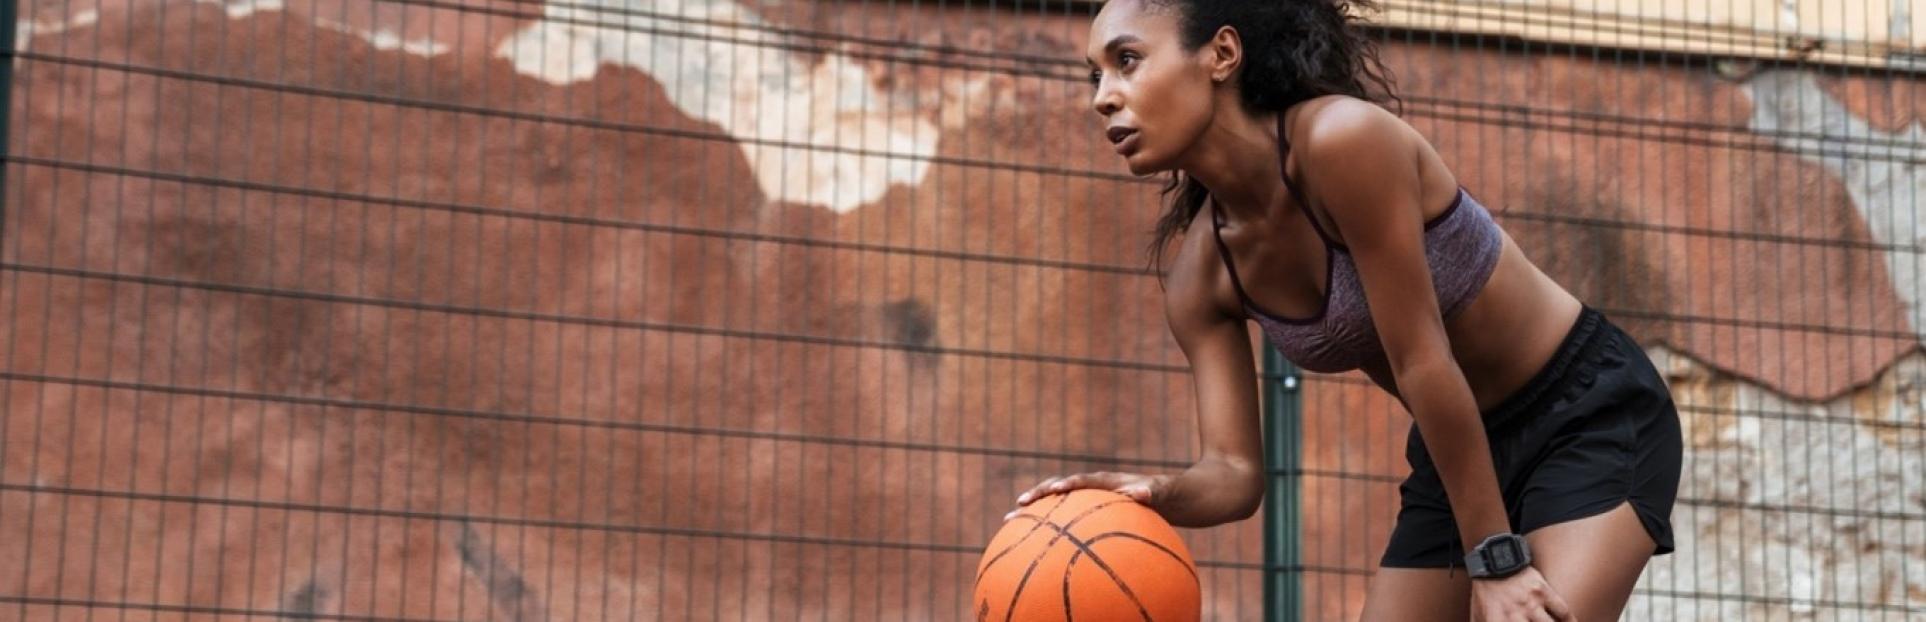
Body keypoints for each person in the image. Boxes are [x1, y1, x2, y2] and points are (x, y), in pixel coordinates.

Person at [1005, 1, 1683, 620]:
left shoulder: (1343, 140)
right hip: (1457, 451)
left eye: (1126, 61)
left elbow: (1422, 360)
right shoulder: (1201, 278)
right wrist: (1152, 494)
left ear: (1221, 55)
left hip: (1585, 410)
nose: (1102, 99)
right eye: (1093, 75)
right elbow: (1235, 475)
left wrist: (1494, 558)